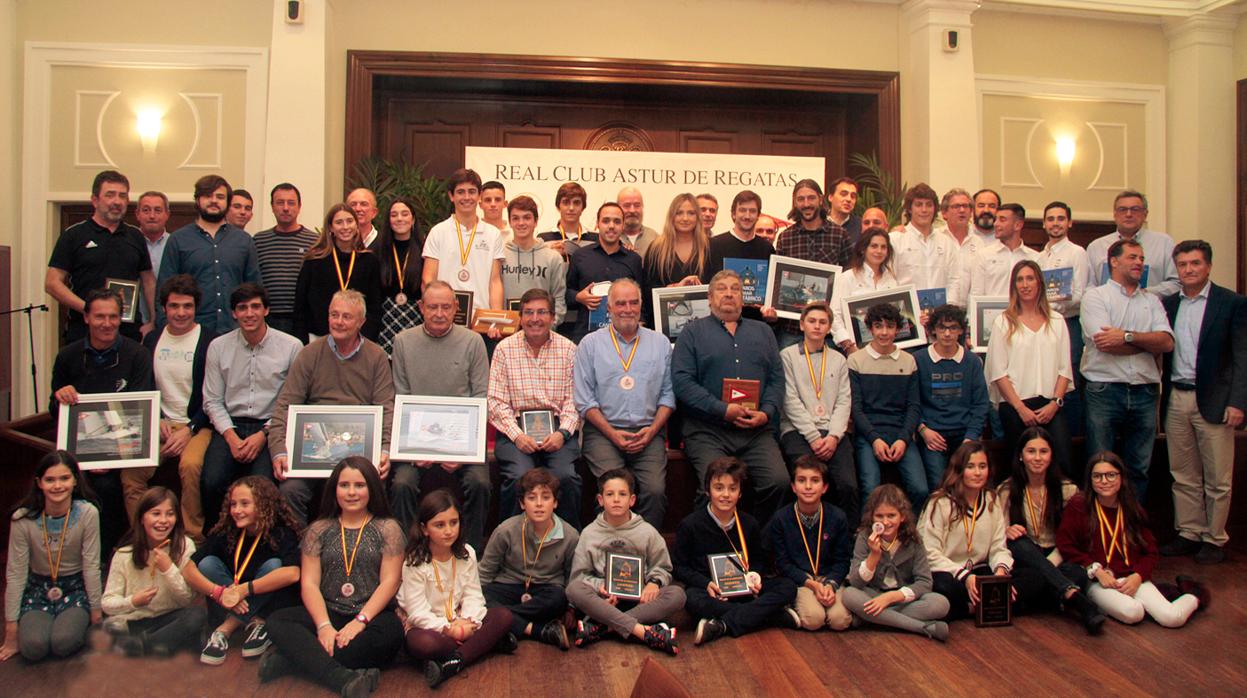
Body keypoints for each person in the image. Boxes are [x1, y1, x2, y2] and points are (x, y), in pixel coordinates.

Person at [260, 457, 405, 696]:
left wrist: (360, 621)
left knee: (392, 636)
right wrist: (324, 626)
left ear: (372, 488)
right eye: (344, 485)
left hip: (371, 615)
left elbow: (390, 582)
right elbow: (309, 583)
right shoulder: (318, 530)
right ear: (334, 489)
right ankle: (342, 678)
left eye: (359, 485)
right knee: (277, 622)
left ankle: (293, 660)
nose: (351, 492)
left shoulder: (388, 528)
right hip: (327, 611)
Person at [268, 290, 395, 526]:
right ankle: (301, 554)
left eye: (347, 317)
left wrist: (385, 449)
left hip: (359, 450)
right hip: (313, 450)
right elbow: (285, 405)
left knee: (378, 482)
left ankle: (366, 549)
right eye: (334, 314)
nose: (338, 322)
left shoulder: (376, 357)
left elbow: (386, 407)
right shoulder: (309, 354)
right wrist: (279, 450)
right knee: (291, 489)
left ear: (361, 322)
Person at [672, 270, 788, 522]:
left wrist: (766, 412)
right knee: (713, 486)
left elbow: (777, 379)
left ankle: (754, 542)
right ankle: (707, 552)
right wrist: (721, 409)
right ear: (710, 298)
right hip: (708, 430)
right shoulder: (691, 333)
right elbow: (682, 382)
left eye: (735, 289)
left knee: (778, 482)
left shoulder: (764, 332)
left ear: (742, 298)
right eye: (722, 289)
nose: (729, 294)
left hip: (756, 431)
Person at [1159, 240, 1247, 565]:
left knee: (1218, 477)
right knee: (1183, 473)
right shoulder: (1168, 304)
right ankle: (1189, 532)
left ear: (1208, 266)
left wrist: (1239, 402)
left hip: (1216, 401)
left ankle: (1215, 538)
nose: (1189, 270)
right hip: (1176, 397)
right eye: (1183, 265)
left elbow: (1243, 356)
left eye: (1195, 263)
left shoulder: (1231, 303)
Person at [50, 288, 155, 553]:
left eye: (113, 316)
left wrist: (107, 457)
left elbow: (138, 412)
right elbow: (55, 410)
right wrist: (60, 396)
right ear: (86, 317)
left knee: (106, 487)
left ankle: (108, 557)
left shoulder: (137, 355)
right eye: (99, 317)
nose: (107, 323)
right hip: (80, 452)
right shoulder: (67, 356)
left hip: (121, 450)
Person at [390, 281, 491, 548]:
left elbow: (481, 399)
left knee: (480, 482)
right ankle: (408, 551)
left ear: (456, 308)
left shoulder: (473, 341)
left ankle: (470, 552)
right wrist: (415, 449)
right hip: (417, 444)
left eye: (446, 307)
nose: (439, 313)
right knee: (401, 483)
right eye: (432, 307)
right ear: (421, 307)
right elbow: (401, 398)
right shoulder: (402, 342)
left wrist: (460, 452)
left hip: (461, 444)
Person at [1056, 453, 1206, 628]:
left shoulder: (1132, 508)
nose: (1104, 481)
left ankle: (1194, 593)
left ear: (1121, 478)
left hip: (1132, 577)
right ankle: (1154, 595)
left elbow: (1151, 551)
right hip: (1099, 580)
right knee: (1133, 612)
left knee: (1172, 618)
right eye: (1097, 476)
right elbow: (1065, 545)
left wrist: (1138, 576)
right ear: (1090, 480)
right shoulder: (1079, 505)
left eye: (1111, 475)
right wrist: (1095, 569)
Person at [200, 284, 302, 534]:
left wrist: (263, 435)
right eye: (242, 308)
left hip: (272, 427)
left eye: (255, 307)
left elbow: (293, 400)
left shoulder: (291, 346)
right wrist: (231, 437)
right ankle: (219, 538)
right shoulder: (218, 347)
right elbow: (212, 400)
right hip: (230, 426)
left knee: (264, 487)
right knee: (211, 482)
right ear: (233, 313)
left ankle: (264, 540)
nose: (249, 314)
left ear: (266, 310)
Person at [574, 278, 675, 529]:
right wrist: (612, 433)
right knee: (613, 492)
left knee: (654, 492)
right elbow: (585, 401)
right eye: (620, 303)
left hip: (647, 432)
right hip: (603, 434)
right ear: (608, 308)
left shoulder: (660, 343)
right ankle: (609, 553)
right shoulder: (590, 344)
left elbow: (668, 395)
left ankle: (645, 553)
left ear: (641, 306)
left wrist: (652, 431)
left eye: (633, 303)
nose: (627, 309)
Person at [1079, 239, 1173, 500]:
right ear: (1114, 261)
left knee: (1139, 468)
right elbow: (1105, 344)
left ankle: (1132, 531)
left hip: (1145, 391)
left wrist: (1128, 337)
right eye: (1133, 257)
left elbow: (1166, 342)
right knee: (1100, 466)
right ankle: (1100, 532)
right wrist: (1146, 342)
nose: (1139, 263)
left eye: (1141, 259)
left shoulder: (1151, 300)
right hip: (1105, 390)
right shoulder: (1095, 297)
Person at [398, 490, 515, 688]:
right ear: (424, 529)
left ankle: (455, 662)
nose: (449, 531)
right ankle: (484, 645)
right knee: (426, 644)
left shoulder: (466, 553)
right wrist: (449, 629)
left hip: (459, 618)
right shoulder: (414, 561)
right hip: (428, 626)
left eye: (454, 522)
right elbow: (417, 613)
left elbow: (474, 596)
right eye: (439, 525)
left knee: (503, 616)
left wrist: (468, 622)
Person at [676, 457, 798, 645]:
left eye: (732, 488)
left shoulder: (749, 523)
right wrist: (706, 583)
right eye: (719, 488)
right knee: (691, 599)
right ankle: (771, 616)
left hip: (745, 590)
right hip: (712, 592)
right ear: (708, 490)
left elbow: (758, 560)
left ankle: (721, 624)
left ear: (740, 493)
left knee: (788, 587)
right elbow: (680, 567)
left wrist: (755, 575)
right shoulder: (690, 524)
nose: (726, 494)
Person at [131, 275, 217, 540]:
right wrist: (156, 418)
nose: (181, 313)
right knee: (131, 474)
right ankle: (141, 537)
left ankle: (192, 538)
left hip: (196, 425)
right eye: (174, 306)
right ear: (164, 308)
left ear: (196, 307)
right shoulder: (152, 340)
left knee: (190, 466)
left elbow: (213, 396)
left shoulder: (210, 341)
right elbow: (144, 385)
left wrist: (189, 429)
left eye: (187, 306)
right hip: (159, 424)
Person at [183, 476, 302, 665]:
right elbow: (188, 569)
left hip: (265, 603)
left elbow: (293, 573)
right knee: (207, 563)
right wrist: (220, 593)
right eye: (233, 504)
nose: (236, 511)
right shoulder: (226, 531)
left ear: (263, 504)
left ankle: (226, 629)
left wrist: (244, 590)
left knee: (274, 567)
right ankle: (255, 622)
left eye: (244, 504)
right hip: (227, 601)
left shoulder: (281, 532)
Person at [998, 428, 1106, 634]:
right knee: (1018, 541)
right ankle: (1076, 600)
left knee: (1077, 573)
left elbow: (1070, 540)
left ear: (1052, 455)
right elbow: (997, 537)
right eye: (1031, 451)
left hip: (1057, 557)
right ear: (1020, 455)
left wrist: (1048, 568)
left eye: (1043, 451)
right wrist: (1006, 531)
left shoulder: (1068, 490)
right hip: (1024, 558)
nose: (1037, 458)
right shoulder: (1006, 490)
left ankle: (1034, 601)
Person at [489, 288, 581, 525]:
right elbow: (496, 402)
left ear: (553, 317)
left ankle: (569, 544)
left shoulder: (569, 349)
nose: (535, 319)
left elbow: (575, 399)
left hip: (558, 429)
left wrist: (563, 433)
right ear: (520, 317)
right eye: (528, 312)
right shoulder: (504, 349)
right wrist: (518, 436)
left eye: (542, 312)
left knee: (566, 477)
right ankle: (509, 544)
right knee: (519, 477)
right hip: (516, 429)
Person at [565, 469, 683, 654]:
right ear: (600, 500)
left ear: (632, 500)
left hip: (640, 600)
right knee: (574, 590)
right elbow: (578, 577)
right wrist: (600, 586)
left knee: (677, 594)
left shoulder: (647, 532)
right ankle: (642, 631)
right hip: (605, 601)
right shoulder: (589, 533)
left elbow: (663, 568)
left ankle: (602, 628)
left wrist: (653, 583)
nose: (616, 499)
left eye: (622, 494)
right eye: (610, 494)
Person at [0, 451, 101, 662]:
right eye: (50, 480)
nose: (57, 486)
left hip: (75, 588)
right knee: (33, 648)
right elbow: (16, 572)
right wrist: (11, 628)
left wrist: (96, 614)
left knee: (62, 642)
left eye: (64, 478)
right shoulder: (22, 519)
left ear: (75, 480)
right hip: (38, 588)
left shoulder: (88, 513)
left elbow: (91, 565)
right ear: (39, 483)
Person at [986, 260, 1074, 481]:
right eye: (1019, 280)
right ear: (1013, 286)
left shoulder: (1057, 321)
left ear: (1039, 283)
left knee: (1063, 464)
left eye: (1030, 278)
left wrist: (1055, 403)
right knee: (1019, 470)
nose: (1024, 285)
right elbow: (998, 372)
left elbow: (1065, 369)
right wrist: (1020, 408)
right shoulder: (1003, 322)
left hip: (1050, 406)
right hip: (1016, 407)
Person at [46, 170, 155, 342]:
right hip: (84, 331)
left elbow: (148, 281)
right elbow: (52, 283)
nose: (117, 201)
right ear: (95, 200)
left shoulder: (136, 236)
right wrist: (89, 309)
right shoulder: (73, 235)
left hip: (126, 331)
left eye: (122, 196)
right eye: (110, 195)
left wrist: (153, 320)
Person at [479, 468, 579, 650]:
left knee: (558, 598)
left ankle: (502, 622)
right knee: (481, 597)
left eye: (546, 497)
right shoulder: (505, 530)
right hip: (510, 586)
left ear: (555, 503)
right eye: (532, 498)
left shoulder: (570, 535)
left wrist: (570, 608)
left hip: (545, 591)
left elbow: (572, 578)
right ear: (522, 503)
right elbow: (485, 572)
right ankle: (536, 630)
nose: (539, 504)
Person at [779, 302, 858, 524]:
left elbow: (844, 401)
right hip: (798, 431)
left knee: (847, 485)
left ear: (829, 327)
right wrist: (814, 437)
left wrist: (833, 436)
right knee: (804, 484)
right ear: (802, 325)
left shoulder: (839, 359)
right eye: (812, 321)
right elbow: (789, 400)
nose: (817, 326)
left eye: (823, 322)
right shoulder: (787, 356)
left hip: (833, 433)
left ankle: (848, 541)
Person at [102, 487, 205, 657]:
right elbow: (107, 603)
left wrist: (168, 569)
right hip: (134, 620)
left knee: (197, 615)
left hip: (169, 619)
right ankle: (161, 646)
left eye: (170, 514)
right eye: (156, 514)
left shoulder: (185, 545)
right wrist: (133, 601)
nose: (163, 521)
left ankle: (144, 646)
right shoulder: (123, 554)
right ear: (142, 518)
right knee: (104, 629)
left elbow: (186, 599)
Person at [917, 442, 1014, 621]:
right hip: (949, 573)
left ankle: (978, 605)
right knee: (943, 588)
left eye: (982, 466)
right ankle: (980, 607)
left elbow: (998, 547)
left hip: (981, 573)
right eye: (971, 467)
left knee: (1032, 579)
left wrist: (1000, 574)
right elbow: (929, 554)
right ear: (959, 470)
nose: (977, 473)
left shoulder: (992, 499)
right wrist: (965, 576)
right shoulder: (939, 502)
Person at [843, 484, 950, 641]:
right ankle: (922, 628)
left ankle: (871, 618)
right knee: (849, 595)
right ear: (872, 517)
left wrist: (892, 597)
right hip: (873, 594)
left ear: (902, 516)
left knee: (940, 603)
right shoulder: (865, 537)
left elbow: (925, 582)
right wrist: (874, 555)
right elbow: (855, 583)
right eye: (879, 516)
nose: (885, 522)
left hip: (900, 599)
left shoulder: (914, 540)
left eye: (891, 516)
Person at [158, 174, 261, 335]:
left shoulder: (244, 241)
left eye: (220, 197)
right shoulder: (178, 240)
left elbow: (255, 288)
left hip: (235, 330)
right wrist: (164, 329)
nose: (214, 200)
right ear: (197, 200)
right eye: (207, 196)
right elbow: (164, 290)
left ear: (227, 202)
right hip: (190, 331)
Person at [848, 302, 925, 512]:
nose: (884, 332)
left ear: (897, 329)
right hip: (868, 434)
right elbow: (856, 408)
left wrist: (903, 439)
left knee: (920, 489)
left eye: (890, 326)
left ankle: (910, 535)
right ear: (870, 329)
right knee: (870, 487)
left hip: (901, 434)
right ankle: (866, 533)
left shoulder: (909, 361)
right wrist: (874, 439)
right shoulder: (856, 360)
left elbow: (914, 406)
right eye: (878, 326)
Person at [766, 456, 853, 632]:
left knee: (840, 621)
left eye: (815, 481)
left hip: (830, 579)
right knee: (814, 620)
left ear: (825, 487)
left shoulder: (838, 517)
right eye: (801, 480)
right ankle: (791, 607)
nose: (807, 486)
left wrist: (831, 584)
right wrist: (810, 583)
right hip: (802, 580)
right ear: (793, 487)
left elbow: (843, 560)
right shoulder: (781, 519)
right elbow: (782, 563)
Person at [914, 304, 989, 490]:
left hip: (965, 435)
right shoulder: (919, 359)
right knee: (939, 488)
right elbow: (911, 403)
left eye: (953, 328)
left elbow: (981, 404)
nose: (947, 334)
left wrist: (971, 437)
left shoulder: (972, 361)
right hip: (932, 434)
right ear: (933, 330)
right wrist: (923, 430)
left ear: (961, 331)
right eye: (942, 328)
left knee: (970, 485)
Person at [775, 178, 853, 346]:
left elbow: (849, 278)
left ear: (820, 199)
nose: (806, 204)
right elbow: (779, 281)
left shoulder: (840, 235)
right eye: (800, 199)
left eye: (811, 198)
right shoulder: (785, 237)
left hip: (828, 330)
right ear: (795, 202)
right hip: (793, 328)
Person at [1036, 201, 1091, 436]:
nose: (1055, 223)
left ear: (1069, 222)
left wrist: (1050, 306)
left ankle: (1073, 436)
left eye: (1060, 219)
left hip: (1068, 324)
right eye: (1050, 219)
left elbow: (1079, 295)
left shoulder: (1076, 252)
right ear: (1044, 223)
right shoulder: (1039, 257)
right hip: (1042, 325)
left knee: (1068, 380)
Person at [293, 203, 384, 343]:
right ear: (330, 227)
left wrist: (364, 338)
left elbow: (375, 306)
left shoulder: (369, 261)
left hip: (358, 339)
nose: (345, 227)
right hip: (319, 338)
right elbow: (301, 305)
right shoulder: (314, 260)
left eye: (349, 221)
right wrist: (302, 341)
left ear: (356, 225)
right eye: (339, 222)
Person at [422, 168, 505, 321]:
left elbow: (495, 281)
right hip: (446, 319)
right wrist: (438, 311)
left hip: (481, 320)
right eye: (460, 192)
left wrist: (496, 319)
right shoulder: (438, 232)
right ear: (451, 196)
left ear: (479, 196)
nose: (467, 197)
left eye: (472, 191)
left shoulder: (493, 234)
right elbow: (428, 278)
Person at [563, 202, 643, 342]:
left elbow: (643, 300)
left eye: (617, 221)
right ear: (597, 224)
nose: (611, 226)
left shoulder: (634, 260)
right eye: (606, 221)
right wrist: (578, 297)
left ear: (623, 226)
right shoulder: (580, 256)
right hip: (586, 336)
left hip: (624, 337)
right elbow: (565, 293)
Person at [255, 183, 321, 336]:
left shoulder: (315, 242)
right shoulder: (259, 241)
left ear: (299, 206)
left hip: (301, 319)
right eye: (280, 202)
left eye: (291, 203)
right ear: (272, 206)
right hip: (267, 318)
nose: (285, 208)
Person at [1085, 190, 1178, 297]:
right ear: (1115, 214)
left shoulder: (1164, 243)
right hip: (1106, 309)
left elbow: (1176, 283)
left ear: (1145, 214)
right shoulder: (1096, 246)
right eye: (1122, 209)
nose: (1128, 214)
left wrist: (1145, 294)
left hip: (1148, 309)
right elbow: (1089, 285)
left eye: (1135, 209)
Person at [706, 190, 777, 323]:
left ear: (758, 216)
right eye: (742, 210)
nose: (747, 216)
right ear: (733, 214)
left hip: (756, 323)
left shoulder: (767, 249)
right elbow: (707, 287)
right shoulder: (714, 245)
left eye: (752, 211)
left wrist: (771, 311)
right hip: (720, 323)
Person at [642, 193, 711, 326]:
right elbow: (647, 291)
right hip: (664, 325)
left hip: (702, 325)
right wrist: (675, 289)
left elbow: (715, 287)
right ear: (671, 216)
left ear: (697, 217)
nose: (685, 218)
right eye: (679, 213)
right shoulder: (657, 248)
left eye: (691, 213)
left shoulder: (709, 248)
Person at [889, 184, 960, 308]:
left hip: (940, 316)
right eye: (918, 204)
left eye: (929, 204)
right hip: (906, 315)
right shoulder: (895, 239)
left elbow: (954, 280)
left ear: (935, 209)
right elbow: (889, 280)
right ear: (909, 209)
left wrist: (948, 309)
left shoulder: (946, 243)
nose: (924, 210)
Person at [832, 227, 899, 352]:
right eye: (874, 246)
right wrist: (849, 345)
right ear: (863, 249)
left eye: (883, 247)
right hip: (856, 350)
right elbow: (835, 315)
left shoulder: (891, 279)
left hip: (887, 349)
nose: (879, 251)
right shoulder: (848, 278)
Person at [502, 195, 567, 326]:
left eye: (527, 217)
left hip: (541, 331)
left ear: (536, 221)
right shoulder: (499, 255)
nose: (521, 223)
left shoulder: (553, 258)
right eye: (515, 218)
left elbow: (558, 298)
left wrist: (551, 326)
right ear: (510, 222)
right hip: (506, 331)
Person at [375, 198, 425, 354]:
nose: (399, 219)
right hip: (385, 320)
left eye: (405, 214)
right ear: (388, 220)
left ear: (413, 219)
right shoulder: (378, 250)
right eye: (394, 215)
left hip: (416, 317)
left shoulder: (425, 249)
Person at [967, 203, 1039, 299]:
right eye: (996, 219)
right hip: (992, 313)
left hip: (1024, 313)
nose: (995, 224)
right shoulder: (984, 255)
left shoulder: (1035, 258)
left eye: (1002, 220)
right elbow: (976, 295)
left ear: (1018, 225)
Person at [135, 190, 171, 324]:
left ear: (167, 214)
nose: (152, 216)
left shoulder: (177, 244)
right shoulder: (128, 243)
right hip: (134, 321)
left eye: (158, 210)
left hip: (169, 321)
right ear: (137, 214)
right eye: (146, 210)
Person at [538, 181, 597, 257]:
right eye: (566, 202)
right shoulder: (543, 238)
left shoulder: (596, 238)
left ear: (583, 208)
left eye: (576, 203)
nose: (571, 208)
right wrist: (550, 256)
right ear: (558, 207)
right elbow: (540, 268)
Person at [617, 187, 659, 258]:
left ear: (642, 207)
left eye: (637, 205)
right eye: (627, 205)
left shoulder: (655, 238)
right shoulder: (610, 237)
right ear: (617, 208)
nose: (632, 210)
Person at [826, 177, 862, 248]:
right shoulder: (818, 223)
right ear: (830, 197)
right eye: (843, 194)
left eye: (853, 196)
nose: (849, 199)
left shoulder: (860, 226)